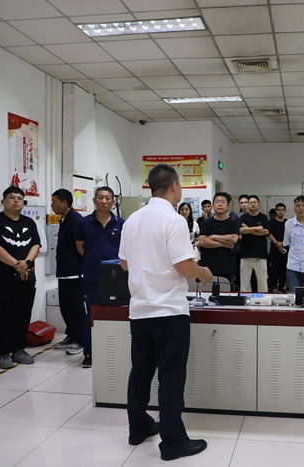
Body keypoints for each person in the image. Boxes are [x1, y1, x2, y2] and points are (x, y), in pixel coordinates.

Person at [118, 164, 212, 461]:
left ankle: (138, 428)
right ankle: (173, 442)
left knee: (141, 371)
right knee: (171, 376)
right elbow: (184, 266)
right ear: (173, 186)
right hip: (169, 311)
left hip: (140, 310)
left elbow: (124, 263)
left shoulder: (133, 219)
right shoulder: (173, 220)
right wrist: (203, 273)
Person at [0, 187, 41, 369]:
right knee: (3, 315)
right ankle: (4, 352)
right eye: (12, 197)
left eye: (19, 198)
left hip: (26, 277)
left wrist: (27, 262)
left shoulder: (29, 222)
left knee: (23, 314)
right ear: (3, 200)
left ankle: (19, 349)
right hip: (3, 279)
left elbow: (36, 244)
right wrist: (17, 264)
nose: (16, 201)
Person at [75, 186, 125, 368]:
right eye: (101, 197)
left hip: (117, 279)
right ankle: (89, 352)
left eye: (108, 198)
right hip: (92, 278)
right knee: (92, 314)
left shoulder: (121, 223)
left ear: (113, 202)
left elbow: (125, 250)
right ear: (94, 200)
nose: (104, 201)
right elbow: (80, 247)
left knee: (117, 314)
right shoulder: (83, 223)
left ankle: (115, 351)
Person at [50, 189, 86, 357]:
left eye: (54, 202)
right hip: (64, 271)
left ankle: (82, 339)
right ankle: (72, 334)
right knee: (66, 307)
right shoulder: (65, 219)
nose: (52, 205)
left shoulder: (76, 220)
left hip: (74, 272)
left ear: (65, 203)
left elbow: (82, 247)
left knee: (75, 307)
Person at [198, 192, 240, 282]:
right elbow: (202, 242)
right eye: (217, 202)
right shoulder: (206, 223)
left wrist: (213, 237)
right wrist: (225, 244)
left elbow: (233, 239)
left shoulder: (234, 222)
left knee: (227, 289)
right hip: (208, 267)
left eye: (223, 202)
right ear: (213, 205)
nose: (220, 204)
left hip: (227, 267)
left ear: (228, 206)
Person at [239, 195, 269, 292]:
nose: (252, 204)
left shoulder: (263, 217)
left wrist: (247, 229)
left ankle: (263, 299)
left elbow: (266, 232)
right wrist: (257, 228)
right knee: (244, 282)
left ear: (258, 204)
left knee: (262, 281)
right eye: (250, 202)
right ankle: (245, 299)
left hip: (260, 255)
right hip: (245, 255)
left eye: (254, 202)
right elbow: (240, 231)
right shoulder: (243, 217)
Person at [267, 203, 288, 292]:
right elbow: (270, 234)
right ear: (276, 211)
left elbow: (290, 235)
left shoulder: (288, 223)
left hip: (285, 249)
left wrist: (282, 243)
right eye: (278, 210)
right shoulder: (271, 222)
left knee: (283, 269)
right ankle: (271, 287)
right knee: (273, 269)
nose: (280, 212)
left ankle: (282, 287)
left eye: (282, 210)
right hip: (274, 250)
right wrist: (277, 243)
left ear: (285, 211)